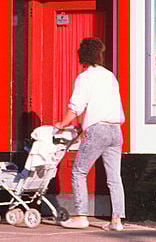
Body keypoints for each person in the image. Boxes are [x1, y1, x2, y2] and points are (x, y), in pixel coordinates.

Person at [54, 38, 126, 232]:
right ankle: (116, 221)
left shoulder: (84, 78)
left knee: (79, 171)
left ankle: (80, 216)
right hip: (115, 130)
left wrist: (61, 124)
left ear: (83, 56)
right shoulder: (110, 76)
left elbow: (76, 107)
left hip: (98, 130)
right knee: (114, 177)